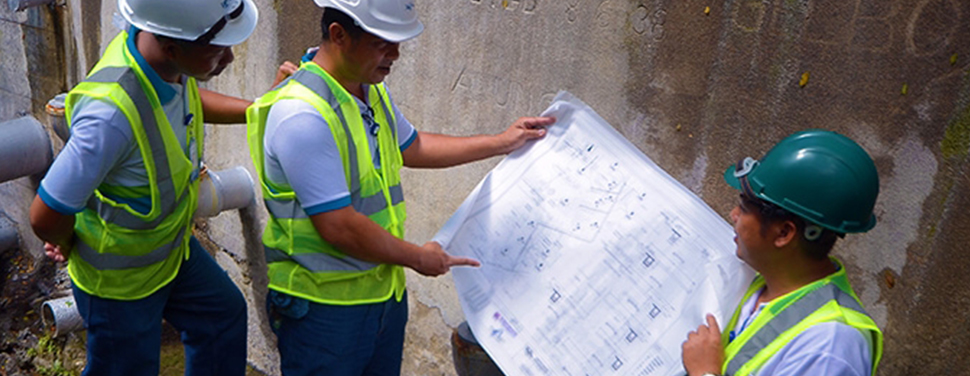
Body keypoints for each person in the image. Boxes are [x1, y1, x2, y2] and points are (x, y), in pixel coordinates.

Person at [245, 0, 555, 374]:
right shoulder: (302, 115)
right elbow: (338, 226)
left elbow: (412, 146)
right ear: (338, 35)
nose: (395, 54)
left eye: (397, 42)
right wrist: (417, 257)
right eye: (382, 43)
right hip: (324, 308)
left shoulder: (368, 90)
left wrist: (501, 142)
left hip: (382, 295)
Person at [28, 0, 263, 374]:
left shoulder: (161, 58)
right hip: (121, 281)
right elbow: (45, 213)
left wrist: (256, 110)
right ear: (173, 48)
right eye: (218, 51)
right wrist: (67, 240)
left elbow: (186, 98)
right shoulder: (110, 117)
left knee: (222, 316)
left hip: (169, 251)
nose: (231, 58)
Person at [681, 130, 884, 376]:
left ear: (783, 233)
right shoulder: (758, 286)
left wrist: (704, 372)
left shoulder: (830, 346)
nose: (734, 215)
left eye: (744, 207)